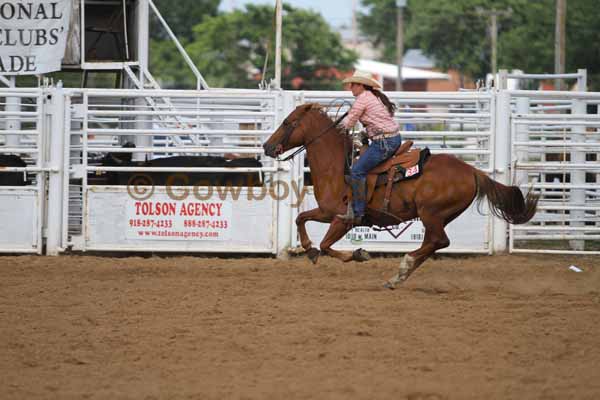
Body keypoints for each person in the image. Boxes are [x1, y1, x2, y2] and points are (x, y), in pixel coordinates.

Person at [337, 71, 402, 224]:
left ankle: (359, 213)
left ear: (360, 85)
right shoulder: (373, 96)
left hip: (384, 142)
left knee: (357, 171)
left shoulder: (363, 99)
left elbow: (348, 122)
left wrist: (333, 129)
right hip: (389, 139)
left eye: (352, 84)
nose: (350, 87)